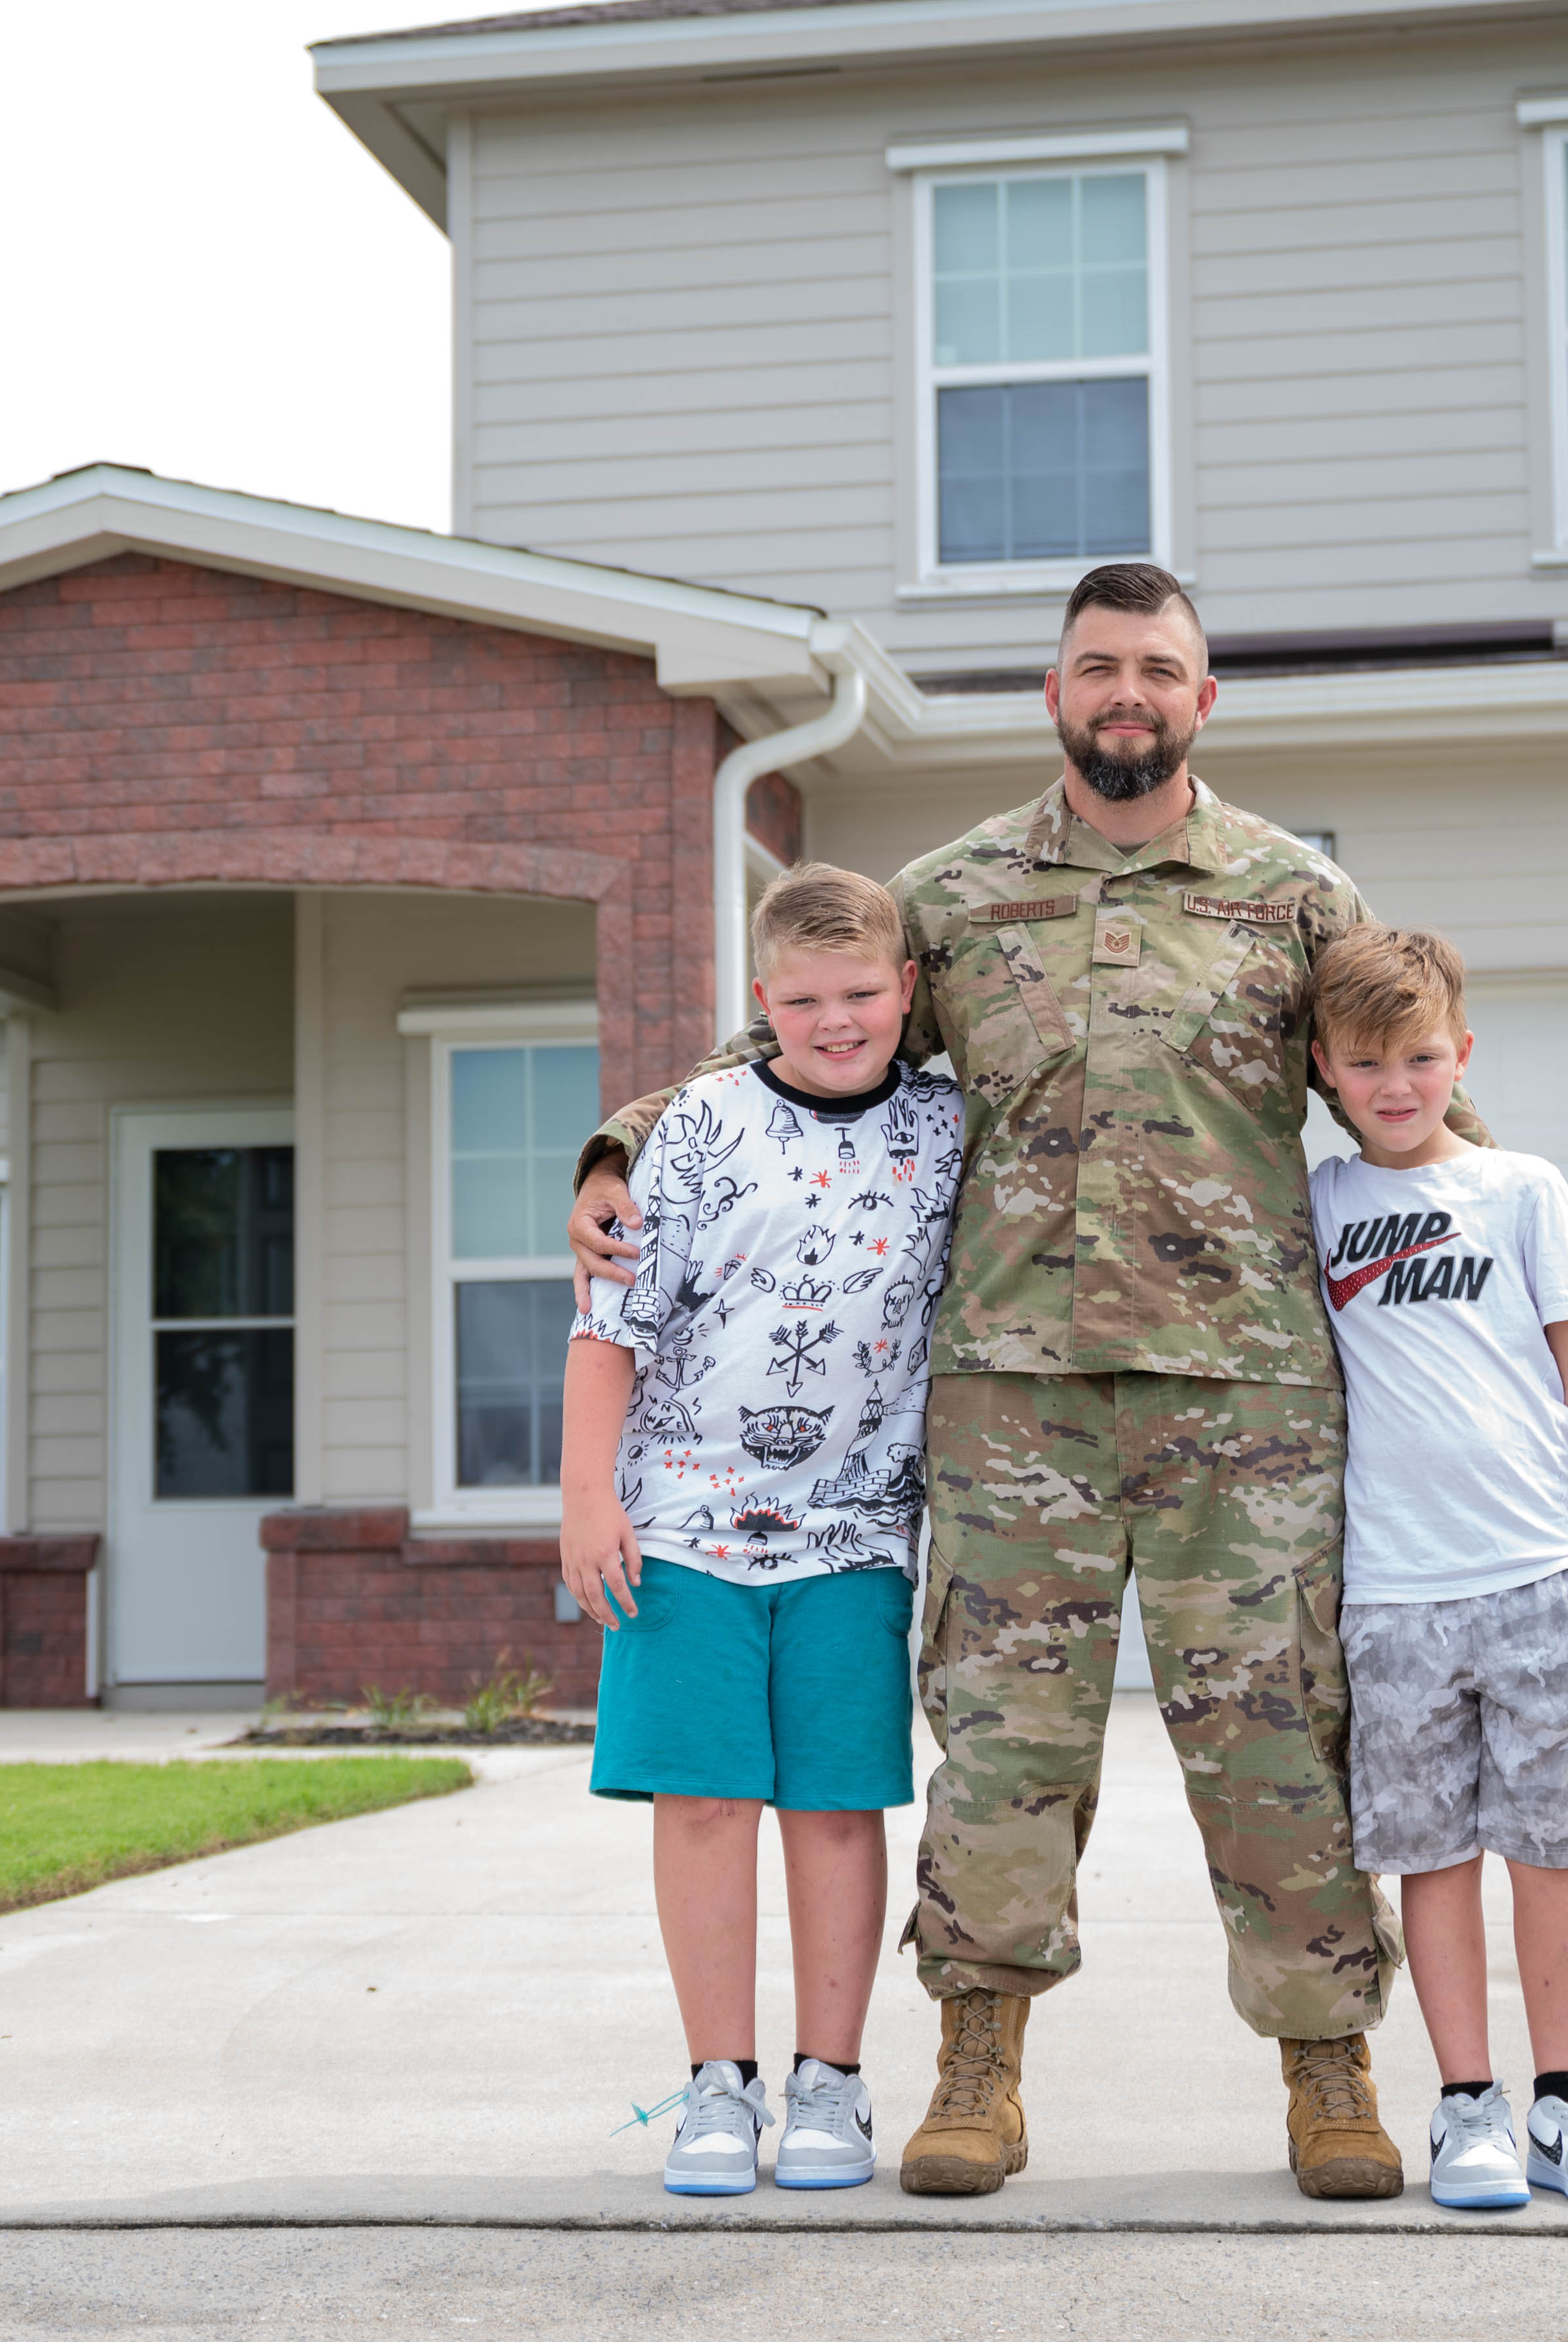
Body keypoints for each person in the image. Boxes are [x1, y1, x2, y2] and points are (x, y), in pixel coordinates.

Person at [571, 563, 1484, 2202]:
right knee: (1003, 1747)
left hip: (1248, 1405)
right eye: (1095, 666)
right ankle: (976, 2061)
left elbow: (1401, 1096)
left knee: (1276, 1737)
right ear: (1052, 694)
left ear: (1203, 699)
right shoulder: (954, 895)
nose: (1125, 691)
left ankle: (1330, 2066)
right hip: (1014, 1402)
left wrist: (1512, 1249)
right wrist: (627, 1140)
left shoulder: (1296, 897)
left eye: (1158, 667)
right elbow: (797, 1040)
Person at [559, 862, 964, 2196]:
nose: (837, 1019)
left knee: (841, 1805)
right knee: (707, 1797)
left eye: (862, 992)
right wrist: (585, 1494)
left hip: (857, 1531)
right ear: (761, 1002)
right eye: (805, 998)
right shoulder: (694, 1128)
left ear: (908, 988)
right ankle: (718, 2083)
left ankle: (829, 2081)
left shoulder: (949, 1129)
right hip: (684, 1525)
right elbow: (610, 1319)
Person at [1304, 924, 1568, 2212]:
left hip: (1535, 1583)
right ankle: (1471, 2108)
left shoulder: (1523, 1189)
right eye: (1365, 1062)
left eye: (1417, 1055)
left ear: (1460, 1051)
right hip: (1394, 1597)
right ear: (1325, 1068)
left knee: (1554, 1849)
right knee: (1433, 1856)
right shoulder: (1323, 1208)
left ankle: (1567, 2101)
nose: (1395, 1084)